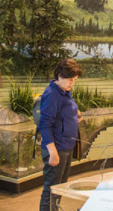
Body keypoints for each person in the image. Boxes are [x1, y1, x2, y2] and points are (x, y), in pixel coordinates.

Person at [39, 59, 83, 211]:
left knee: (60, 188)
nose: (72, 84)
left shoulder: (64, 91)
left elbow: (65, 110)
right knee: (51, 189)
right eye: (70, 80)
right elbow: (44, 125)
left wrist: (75, 114)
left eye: (74, 80)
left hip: (66, 146)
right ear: (59, 76)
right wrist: (52, 152)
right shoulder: (52, 94)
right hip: (57, 148)